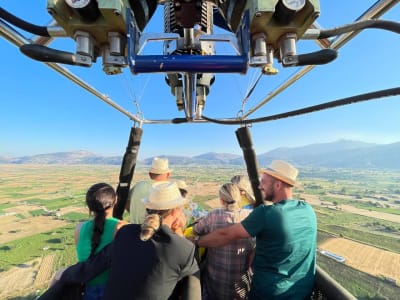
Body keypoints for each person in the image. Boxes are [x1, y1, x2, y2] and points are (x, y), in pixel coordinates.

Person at [39, 181, 199, 300]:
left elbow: (95, 264)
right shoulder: (183, 248)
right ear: (176, 211)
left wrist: (63, 274)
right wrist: (179, 232)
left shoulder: (126, 233)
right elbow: (188, 276)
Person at [196, 160, 317, 300]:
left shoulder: (267, 213)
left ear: (278, 185)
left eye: (264, 182)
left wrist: (197, 241)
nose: (259, 186)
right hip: (302, 292)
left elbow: (226, 234)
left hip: (269, 293)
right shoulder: (308, 210)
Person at [192, 182, 254, 300]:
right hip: (240, 286)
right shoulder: (250, 217)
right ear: (239, 197)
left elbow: (196, 231)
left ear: (221, 200)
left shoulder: (213, 215)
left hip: (216, 283)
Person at [74, 183, 127, 300]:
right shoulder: (123, 228)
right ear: (116, 200)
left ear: (89, 206)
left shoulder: (79, 229)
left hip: (87, 291)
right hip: (114, 290)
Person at [126, 157, 171, 224]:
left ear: (150, 173)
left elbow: (127, 202)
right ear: (168, 174)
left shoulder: (138, 185)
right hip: (151, 231)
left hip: (133, 228)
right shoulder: (165, 192)